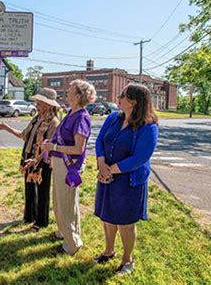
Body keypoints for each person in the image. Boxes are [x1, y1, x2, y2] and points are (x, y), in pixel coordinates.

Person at [93, 84, 159, 275]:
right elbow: (100, 141)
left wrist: (110, 170)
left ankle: (127, 260)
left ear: (134, 101)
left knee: (125, 223)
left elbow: (140, 158)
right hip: (106, 175)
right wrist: (101, 163)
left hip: (128, 180)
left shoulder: (148, 126)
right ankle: (108, 251)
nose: (118, 97)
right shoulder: (114, 117)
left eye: (122, 95)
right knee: (107, 218)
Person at [43, 79, 96, 256]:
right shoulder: (71, 114)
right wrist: (51, 144)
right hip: (60, 164)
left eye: (70, 90)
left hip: (69, 166)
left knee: (66, 204)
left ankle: (71, 244)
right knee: (59, 201)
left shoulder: (81, 117)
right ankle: (63, 233)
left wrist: (54, 148)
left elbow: (78, 148)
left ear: (78, 96)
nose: (66, 92)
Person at [0, 88, 60, 231]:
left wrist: (36, 159)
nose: (36, 104)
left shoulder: (54, 122)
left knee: (42, 191)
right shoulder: (36, 118)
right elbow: (24, 135)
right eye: (36, 102)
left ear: (48, 105)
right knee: (29, 188)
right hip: (28, 158)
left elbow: (49, 147)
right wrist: (6, 127)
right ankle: (29, 216)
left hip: (42, 162)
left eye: (39, 102)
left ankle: (41, 222)